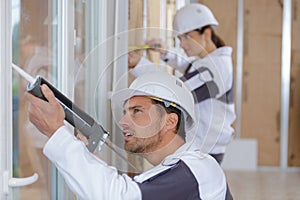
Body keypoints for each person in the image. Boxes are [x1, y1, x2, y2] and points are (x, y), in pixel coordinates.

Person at [26, 71, 231, 199]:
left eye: (137, 111)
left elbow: (119, 196)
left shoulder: (197, 169)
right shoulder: (168, 173)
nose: (123, 122)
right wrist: (91, 163)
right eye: (125, 112)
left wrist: (56, 132)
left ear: (170, 121)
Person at [128, 3, 236, 164]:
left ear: (206, 33)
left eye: (187, 37)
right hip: (204, 148)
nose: (182, 44)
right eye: (179, 38)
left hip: (205, 150)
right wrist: (165, 53)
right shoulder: (210, 61)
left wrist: (139, 64)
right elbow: (190, 66)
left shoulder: (216, 67)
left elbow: (177, 91)